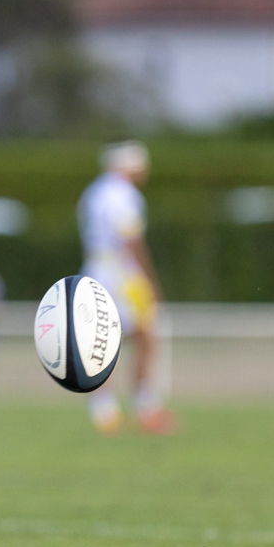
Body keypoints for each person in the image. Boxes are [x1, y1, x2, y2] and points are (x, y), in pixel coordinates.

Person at [77, 140, 175, 436]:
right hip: (122, 273)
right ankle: (146, 407)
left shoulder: (93, 192)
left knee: (102, 343)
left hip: (95, 268)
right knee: (146, 336)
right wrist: (148, 278)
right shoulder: (125, 196)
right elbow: (130, 239)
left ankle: (104, 411)